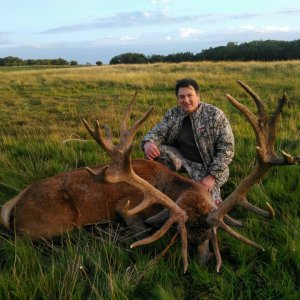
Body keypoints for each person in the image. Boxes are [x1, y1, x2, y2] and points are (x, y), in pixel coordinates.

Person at [141, 78, 234, 205]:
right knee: (155, 153)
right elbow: (157, 132)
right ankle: (163, 189)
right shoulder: (174, 113)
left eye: (190, 96)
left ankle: (214, 199)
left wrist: (212, 176)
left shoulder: (215, 115)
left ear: (198, 95)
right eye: (181, 97)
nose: (186, 100)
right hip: (183, 159)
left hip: (208, 167)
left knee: (206, 202)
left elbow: (227, 149)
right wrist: (148, 142)